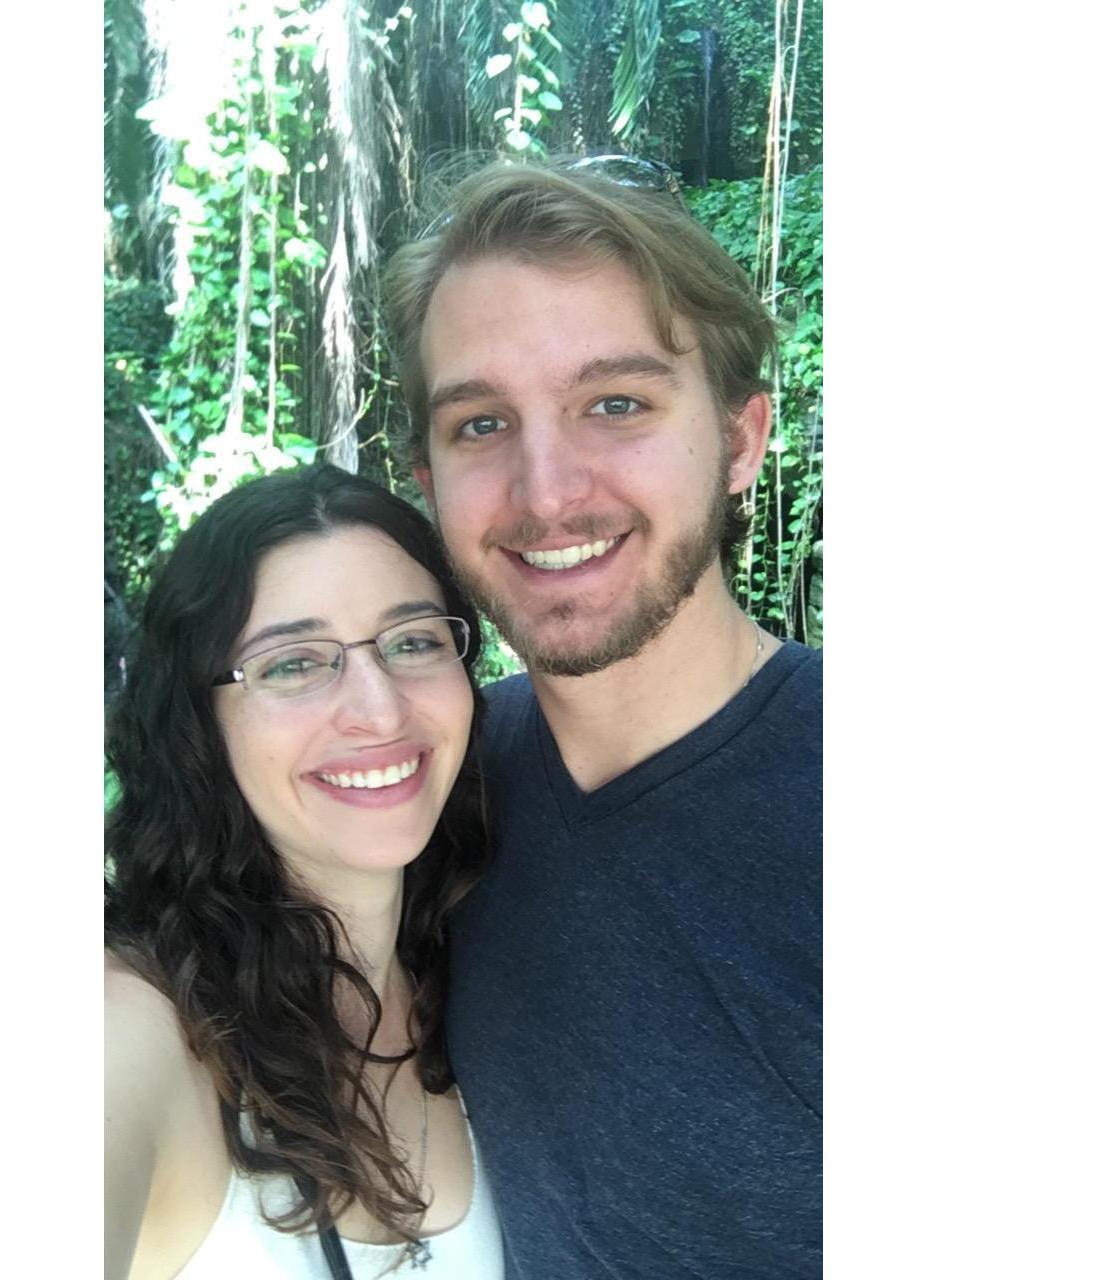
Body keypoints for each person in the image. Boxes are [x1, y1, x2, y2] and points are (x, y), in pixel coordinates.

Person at [383, 157, 822, 1279]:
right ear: (427, 482)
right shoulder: (416, 784)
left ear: (738, 439)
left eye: (614, 404)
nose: (543, 492)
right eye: (480, 423)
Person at [104, 463, 505, 1280]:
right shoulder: (136, 1029)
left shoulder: (480, 974)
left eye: (414, 641)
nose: (381, 709)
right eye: (292, 662)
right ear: (197, 724)